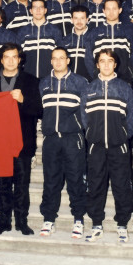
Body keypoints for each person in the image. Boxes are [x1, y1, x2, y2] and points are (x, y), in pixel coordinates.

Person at [0, 43, 43, 236]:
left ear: (19, 59)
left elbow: (39, 110)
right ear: (1, 59)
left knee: (22, 183)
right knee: (3, 184)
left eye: (14, 57)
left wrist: (23, 100)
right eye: (6, 57)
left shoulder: (31, 81)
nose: (10, 60)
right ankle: (3, 222)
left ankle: (22, 221)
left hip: (22, 141)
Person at [80, 49, 133, 243]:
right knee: (95, 185)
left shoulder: (124, 88)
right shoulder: (89, 88)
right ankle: (96, 223)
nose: (105, 65)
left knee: (122, 186)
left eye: (109, 61)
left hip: (119, 147)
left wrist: (123, 135)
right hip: (95, 147)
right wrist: (91, 135)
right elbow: (83, 116)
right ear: (97, 65)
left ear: (115, 64)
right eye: (102, 61)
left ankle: (122, 224)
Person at [38, 47, 88, 238]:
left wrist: (77, 129)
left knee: (76, 180)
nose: (58, 62)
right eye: (54, 58)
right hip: (51, 140)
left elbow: (86, 112)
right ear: (51, 61)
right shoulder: (43, 83)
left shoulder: (80, 82)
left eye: (62, 58)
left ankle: (78, 219)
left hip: (72, 139)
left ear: (68, 60)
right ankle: (49, 218)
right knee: (51, 180)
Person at [85, 0, 133, 84]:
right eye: (108, 9)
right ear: (103, 11)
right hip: (100, 80)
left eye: (114, 9)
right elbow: (88, 57)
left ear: (120, 10)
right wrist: (95, 74)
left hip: (124, 80)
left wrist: (130, 74)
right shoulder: (95, 32)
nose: (111, 12)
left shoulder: (129, 32)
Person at [16, 0, 61, 78]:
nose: (38, 10)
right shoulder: (23, 31)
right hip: (27, 77)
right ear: (31, 11)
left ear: (45, 10)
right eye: (35, 7)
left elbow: (60, 55)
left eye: (41, 7)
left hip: (49, 77)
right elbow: (17, 56)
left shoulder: (55, 30)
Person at [59, 5, 92, 81]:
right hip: (68, 82)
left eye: (82, 18)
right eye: (76, 18)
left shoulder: (93, 38)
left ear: (87, 20)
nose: (79, 22)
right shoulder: (65, 40)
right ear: (71, 20)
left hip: (88, 82)